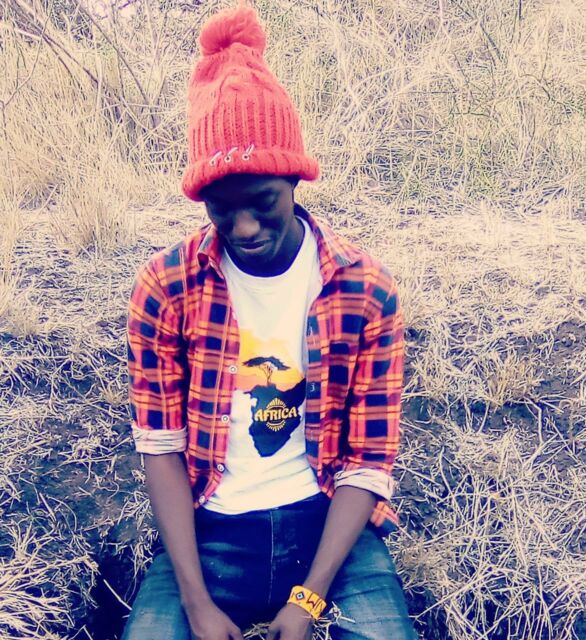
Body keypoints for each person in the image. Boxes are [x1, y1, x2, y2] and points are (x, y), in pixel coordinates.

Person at [123, 3, 415, 639]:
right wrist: (196, 603)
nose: (245, 228)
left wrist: (308, 600)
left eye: (262, 202)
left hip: (326, 529)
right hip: (209, 533)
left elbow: (368, 461)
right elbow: (161, 446)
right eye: (221, 210)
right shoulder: (166, 287)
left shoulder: (366, 289)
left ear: (294, 179)